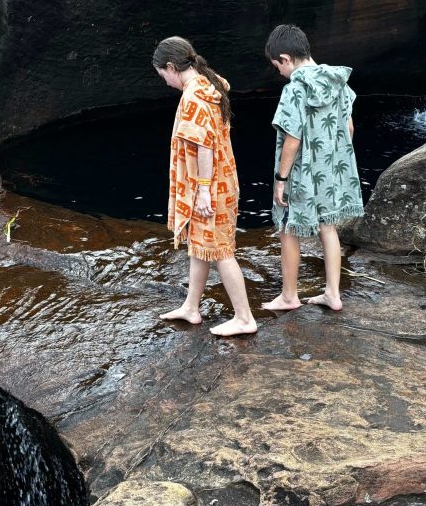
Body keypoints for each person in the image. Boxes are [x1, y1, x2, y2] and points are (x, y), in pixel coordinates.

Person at [152, 36, 257, 337]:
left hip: (211, 186)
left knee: (221, 251)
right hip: (223, 179)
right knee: (200, 247)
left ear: (171, 67)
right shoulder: (210, 84)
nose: (165, 82)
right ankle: (191, 306)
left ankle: (244, 317)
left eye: (163, 76)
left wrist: (201, 191)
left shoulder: (194, 98)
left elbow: (203, 149)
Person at [262, 24, 364, 312]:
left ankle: (289, 296)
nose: (279, 73)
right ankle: (333, 293)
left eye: (277, 66)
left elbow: (292, 139)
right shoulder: (338, 81)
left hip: (301, 173)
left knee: (287, 228)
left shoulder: (295, 89)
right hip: (330, 169)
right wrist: (333, 161)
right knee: (327, 227)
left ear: (285, 58)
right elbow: (349, 127)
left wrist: (280, 178)